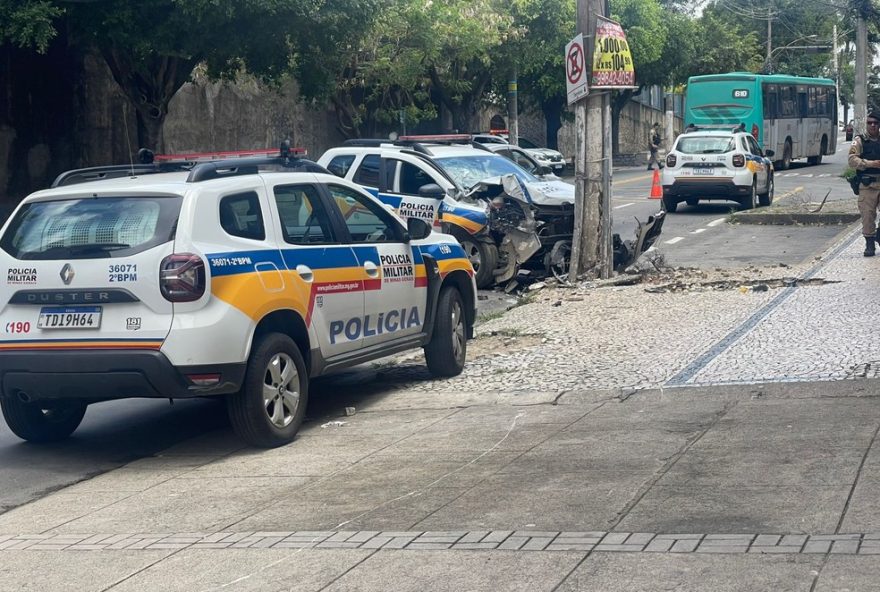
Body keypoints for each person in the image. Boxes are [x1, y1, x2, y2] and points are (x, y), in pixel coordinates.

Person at [849, 111, 880, 257]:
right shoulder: (860, 140)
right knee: (868, 216)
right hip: (867, 185)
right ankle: (869, 244)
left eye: (875, 123)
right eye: (870, 123)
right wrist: (870, 164)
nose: (872, 125)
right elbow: (851, 160)